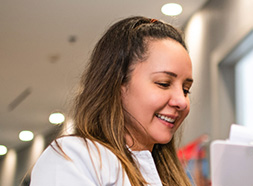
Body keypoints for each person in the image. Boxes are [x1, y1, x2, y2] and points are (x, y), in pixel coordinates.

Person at [30, 16, 193, 186]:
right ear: (117, 82)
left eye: (186, 90)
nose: (181, 101)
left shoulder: (171, 177)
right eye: (164, 83)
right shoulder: (74, 158)